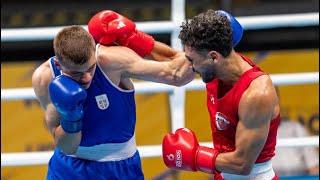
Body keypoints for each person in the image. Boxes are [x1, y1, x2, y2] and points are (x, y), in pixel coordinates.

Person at [32, 13, 195, 179]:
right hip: (68, 168)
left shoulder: (110, 61)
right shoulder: (45, 77)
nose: (86, 77)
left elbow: (177, 75)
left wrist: (139, 41)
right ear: (59, 64)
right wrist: (71, 118)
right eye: (76, 73)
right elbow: (68, 147)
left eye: (90, 69)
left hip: (120, 166)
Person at [160, 9, 281, 180]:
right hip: (221, 175)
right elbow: (171, 60)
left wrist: (195, 156)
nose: (190, 66)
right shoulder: (212, 62)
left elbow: (242, 164)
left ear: (214, 57)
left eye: (192, 60)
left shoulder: (256, 94)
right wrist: (134, 39)